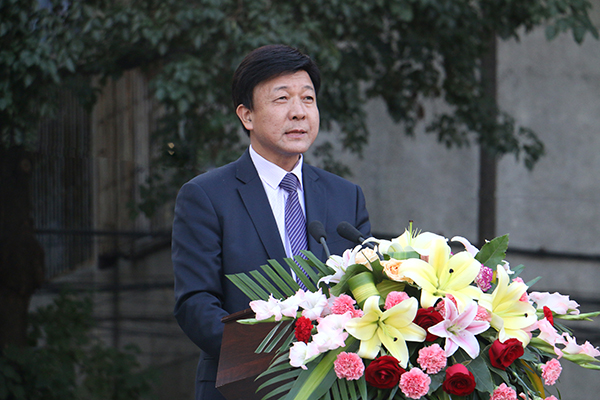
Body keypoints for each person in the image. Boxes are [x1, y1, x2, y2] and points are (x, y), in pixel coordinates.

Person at [172, 44, 371, 400]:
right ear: (247, 116)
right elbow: (195, 303)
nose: (299, 113)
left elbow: (364, 294)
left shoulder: (346, 196)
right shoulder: (206, 196)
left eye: (308, 99)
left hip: (333, 387)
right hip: (243, 387)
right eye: (282, 99)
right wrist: (277, 361)